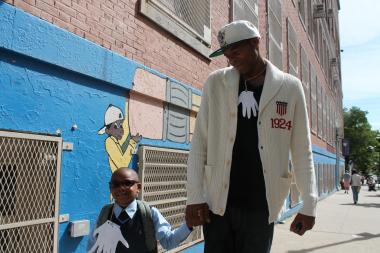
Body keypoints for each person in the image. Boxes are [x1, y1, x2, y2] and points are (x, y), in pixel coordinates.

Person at [185, 20, 317, 253]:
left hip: (261, 207)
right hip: (218, 204)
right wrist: (194, 196)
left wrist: (309, 203)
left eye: (236, 51)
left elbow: (302, 151)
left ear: (255, 43)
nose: (231, 58)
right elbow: (200, 143)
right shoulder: (216, 82)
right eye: (226, 54)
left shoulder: (289, 87)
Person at [88, 167, 192, 253]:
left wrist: (188, 225)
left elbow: (168, 241)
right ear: (110, 188)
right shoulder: (105, 214)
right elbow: (93, 246)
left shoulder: (149, 213)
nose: (121, 188)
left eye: (127, 183)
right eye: (116, 184)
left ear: (138, 187)